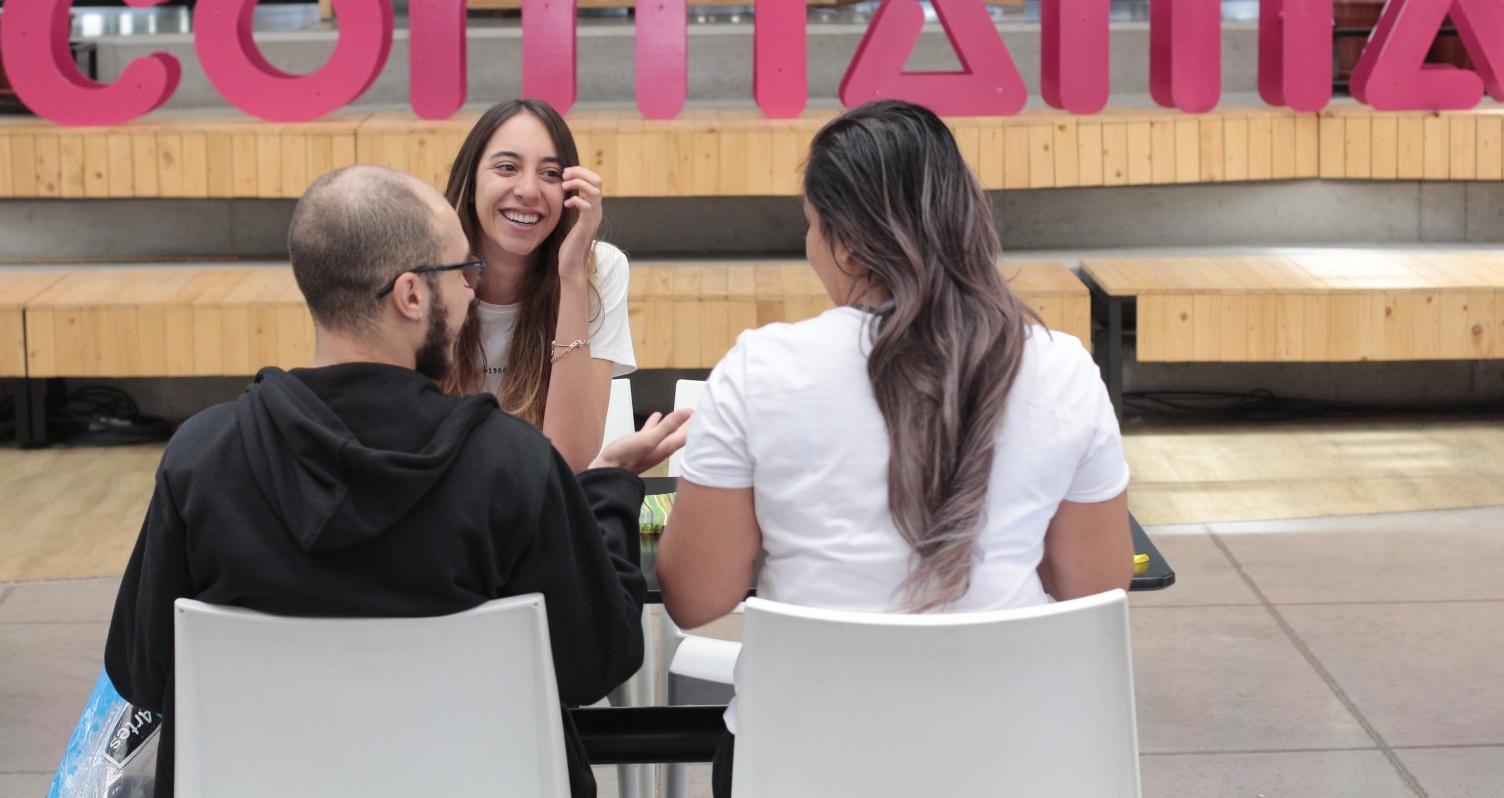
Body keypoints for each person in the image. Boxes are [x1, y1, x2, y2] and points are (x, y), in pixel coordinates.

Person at [104, 164, 690, 798]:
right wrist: (607, 493)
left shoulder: (201, 458)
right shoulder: (509, 467)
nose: (472, 293)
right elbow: (594, 663)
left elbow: (142, 672)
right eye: (464, 272)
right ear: (411, 295)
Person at [655, 100, 1133, 797]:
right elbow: (1096, 587)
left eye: (811, 226)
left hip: (803, 765)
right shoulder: (1062, 369)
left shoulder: (760, 371)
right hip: (1015, 762)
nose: (810, 246)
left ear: (848, 246)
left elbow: (695, 597)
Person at [441, 99, 635, 472]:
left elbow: (571, 461)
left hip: (543, 495)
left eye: (550, 174)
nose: (529, 190)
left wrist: (572, 277)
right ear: (471, 183)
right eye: (507, 167)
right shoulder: (421, 267)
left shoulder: (599, 269)